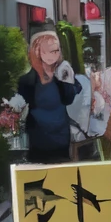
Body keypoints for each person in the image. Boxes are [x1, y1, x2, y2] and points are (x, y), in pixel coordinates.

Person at [18, 31, 78, 163]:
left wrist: (66, 79)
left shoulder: (63, 74)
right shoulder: (27, 80)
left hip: (61, 137)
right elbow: (20, 104)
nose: (54, 55)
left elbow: (69, 99)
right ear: (38, 52)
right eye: (49, 51)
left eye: (56, 51)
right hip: (38, 137)